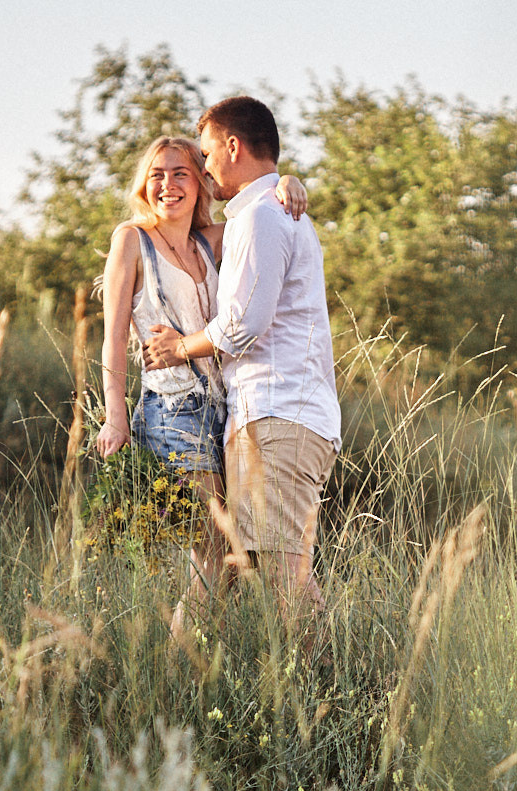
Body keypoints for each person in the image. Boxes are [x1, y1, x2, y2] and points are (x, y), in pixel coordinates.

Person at [94, 134, 306, 624]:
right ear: (145, 186)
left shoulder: (210, 241)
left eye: (181, 173)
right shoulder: (132, 239)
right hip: (171, 412)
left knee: (233, 560)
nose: (167, 185)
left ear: (201, 182)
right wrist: (114, 419)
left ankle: (191, 665)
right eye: (157, 175)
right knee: (218, 548)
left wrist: (286, 183)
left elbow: (255, 199)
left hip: (222, 411)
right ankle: (176, 674)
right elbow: (111, 339)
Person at [146, 96, 339, 625]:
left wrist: (177, 346)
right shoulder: (263, 212)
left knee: (284, 579)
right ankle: (333, 685)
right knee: (255, 568)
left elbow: (242, 327)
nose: (206, 169)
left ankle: (335, 695)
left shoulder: (262, 217)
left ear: (233, 147)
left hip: (279, 414)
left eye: (207, 154)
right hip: (274, 414)